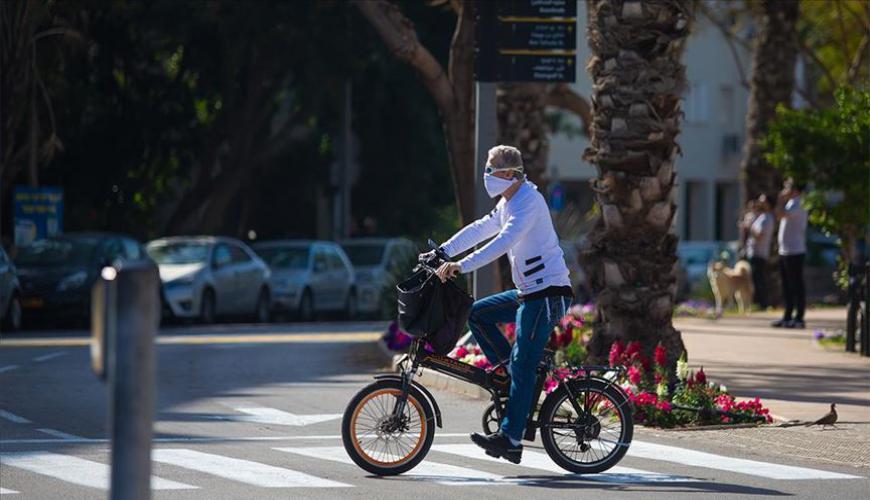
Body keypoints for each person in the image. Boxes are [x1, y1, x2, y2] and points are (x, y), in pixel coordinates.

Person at [422, 145, 572, 464]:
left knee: (523, 364)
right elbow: (480, 229)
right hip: (529, 292)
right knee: (477, 314)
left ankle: (511, 439)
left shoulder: (528, 202)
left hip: (547, 294)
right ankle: (508, 378)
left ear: (509, 174)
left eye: (490, 169)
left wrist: (461, 265)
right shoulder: (507, 202)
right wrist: (443, 252)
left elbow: (503, 241)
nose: (486, 175)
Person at [772, 179, 808, 328]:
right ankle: (787, 315)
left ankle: (799, 317)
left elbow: (780, 214)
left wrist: (780, 200)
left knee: (796, 285)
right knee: (786, 285)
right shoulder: (791, 203)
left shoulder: (799, 203)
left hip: (795, 250)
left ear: (795, 190)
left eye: (787, 187)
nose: (784, 190)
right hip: (785, 250)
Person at [745, 195, 774, 310]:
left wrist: (749, 227)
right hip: (754, 252)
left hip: (759, 253)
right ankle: (758, 303)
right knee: (756, 279)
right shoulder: (761, 217)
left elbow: (760, 236)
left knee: (759, 280)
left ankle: (762, 303)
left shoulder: (766, 218)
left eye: (762, 201)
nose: (759, 202)